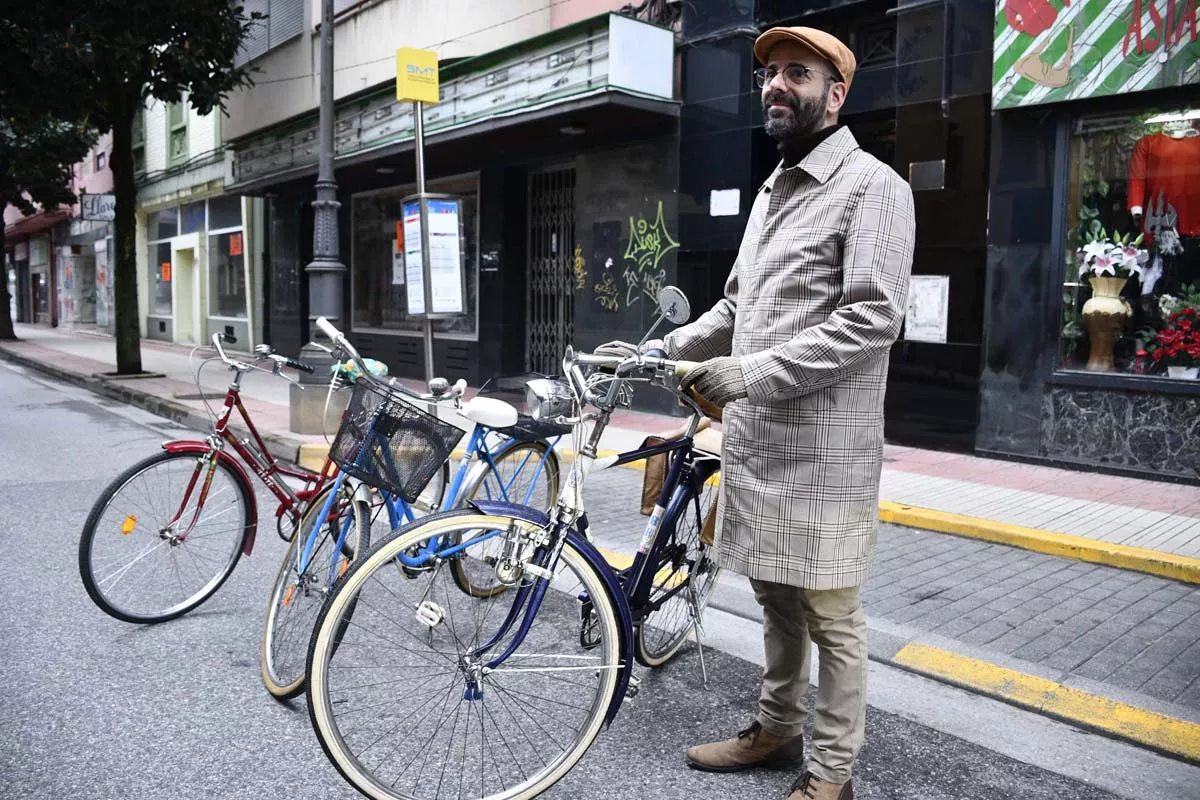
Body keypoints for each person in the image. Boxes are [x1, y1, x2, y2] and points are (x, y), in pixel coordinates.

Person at [598, 25, 915, 800]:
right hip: (760, 438)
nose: (775, 85)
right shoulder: (773, 190)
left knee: (832, 614)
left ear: (836, 94)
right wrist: (659, 351)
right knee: (775, 595)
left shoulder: (875, 188)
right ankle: (776, 731)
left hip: (826, 448)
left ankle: (832, 773)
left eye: (795, 74)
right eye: (769, 73)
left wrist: (751, 372)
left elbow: (874, 316)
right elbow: (738, 305)